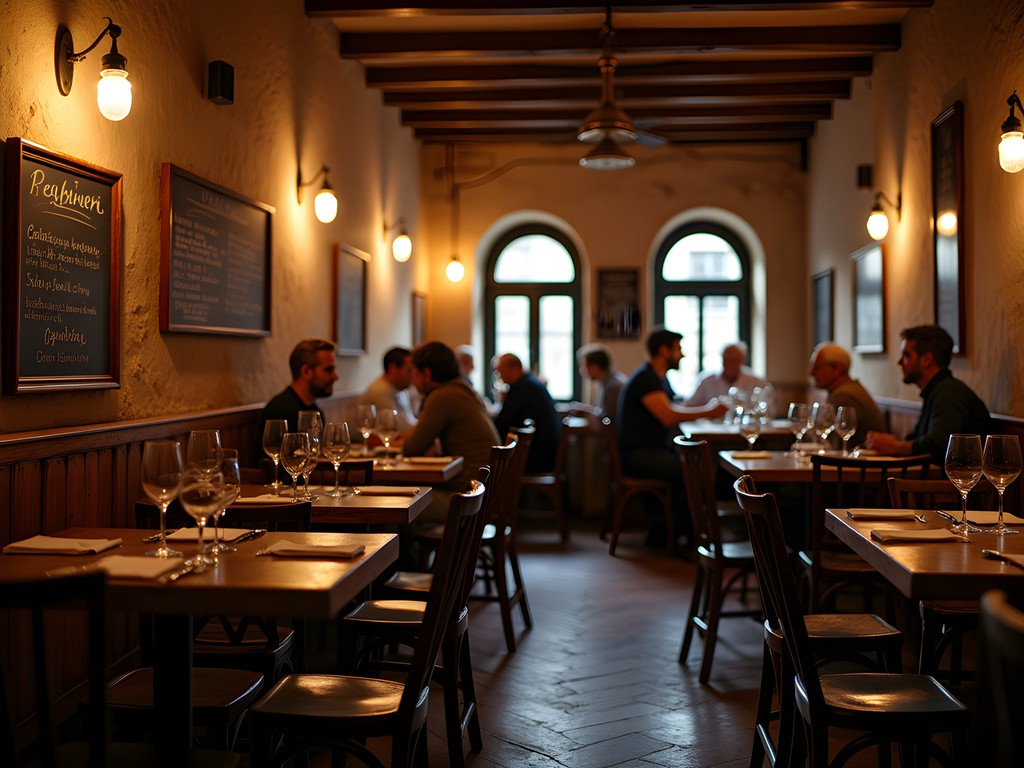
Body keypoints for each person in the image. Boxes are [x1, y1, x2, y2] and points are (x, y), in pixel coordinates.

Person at [618, 328, 730, 546]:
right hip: (638, 455)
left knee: (696, 465)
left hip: (651, 450)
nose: (683, 354)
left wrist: (703, 410)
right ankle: (688, 537)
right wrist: (708, 411)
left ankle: (674, 533)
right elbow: (668, 416)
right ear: (663, 350)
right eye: (678, 349)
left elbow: (674, 408)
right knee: (694, 470)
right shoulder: (645, 379)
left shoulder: (658, 378)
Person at [402, 341, 501, 518]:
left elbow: (412, 448)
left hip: (468, 498)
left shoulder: (442, 396)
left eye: (413, 372)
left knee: (402, 503)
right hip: (483, 492)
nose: (412, 379)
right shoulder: (461, 388)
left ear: (426, 374)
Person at [866, 325, 991, 464]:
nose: (899, 362)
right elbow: (916, 439)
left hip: (960, 484)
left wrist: (894, 446)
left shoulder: (949, 393)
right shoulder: (938, 390)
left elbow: (938, 447)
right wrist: (893, 443)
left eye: (906, 355)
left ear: (926, 359)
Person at [492, 353, 563, 473]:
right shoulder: (531, 383)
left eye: (500, 372)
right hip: (548, 453)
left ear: (512, 368)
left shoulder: (521, 388)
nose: (500, 377)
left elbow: (503, 424)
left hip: (539, 458)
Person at [807, 341, 886, 447]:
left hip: (860, 462)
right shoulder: (844, 390)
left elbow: (833, 447)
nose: (811, 372)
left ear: (837, 370)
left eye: (817, 367)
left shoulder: (844, 396)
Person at [684, 341, 766, 407]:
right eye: (729, 359)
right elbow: (690, 405)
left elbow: (768, 410)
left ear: (742, 361)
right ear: (722, 360)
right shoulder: (707, 381)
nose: (732, 364)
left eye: (736, 360)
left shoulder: (756, 382)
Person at [358, 346, 418, 432]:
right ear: (393, 369)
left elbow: (409, 422)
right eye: (409, 370)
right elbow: (400, 430)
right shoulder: (380, 392)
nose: (413, 375)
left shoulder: (399, 388)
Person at [577, 343, 627, 421]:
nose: (582, 370)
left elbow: (608, 420)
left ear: (595, 366)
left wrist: (588, 412)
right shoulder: (606, 381)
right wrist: (589, 409)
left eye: (585, 366)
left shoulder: (613, 386)